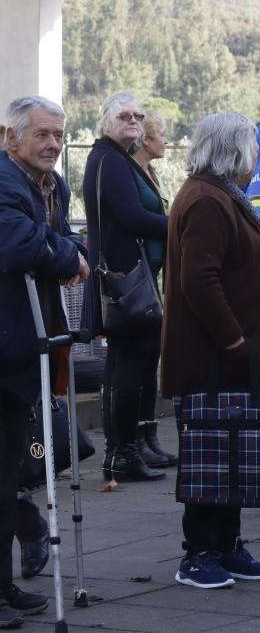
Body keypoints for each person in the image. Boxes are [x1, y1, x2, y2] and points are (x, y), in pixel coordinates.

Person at [162, 112, 260, 589]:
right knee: (210, 454)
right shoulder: (207, 200)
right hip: (214, 357)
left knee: (230, 452)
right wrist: (234, 339)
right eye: (252, 146)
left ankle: (227, 545)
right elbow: (198, 278)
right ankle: (199, 554)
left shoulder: (218, 194)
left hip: (230, 355)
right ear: (233, 150)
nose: (256, 157)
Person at [0, 95, 89, 626]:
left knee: (8, 475)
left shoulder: (49, 186)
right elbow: (18, 243)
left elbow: (56, 237)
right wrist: (68, 256)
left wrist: (71, 249)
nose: (54, 144)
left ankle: (4, 585)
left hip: (21, 348)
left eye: (59, 134)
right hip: (6, 343)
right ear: (11, 137)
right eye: (42, 135)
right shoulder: (6, 183)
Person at [80, 91, 169, 483]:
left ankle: (121, 453)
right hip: (126, 280)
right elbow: (132, 217)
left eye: (138, 115)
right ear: (106, 121)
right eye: (124, 115)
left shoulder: (110, 158)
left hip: (121, 276)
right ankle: (125, 453)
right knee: (130, 365)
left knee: (122, 366)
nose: (133, 120)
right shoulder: (111, 160)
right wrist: (181, 222)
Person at [127, 113, 177, 469]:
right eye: (161, 136)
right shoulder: (131, 172)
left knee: (150, 361)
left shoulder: (149, 173)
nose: (165, 142)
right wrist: (178, 222)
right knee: (140, 360)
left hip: (155, 270)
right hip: (141, 272)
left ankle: (149, 436)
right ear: (146, 140)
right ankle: (138, 438)